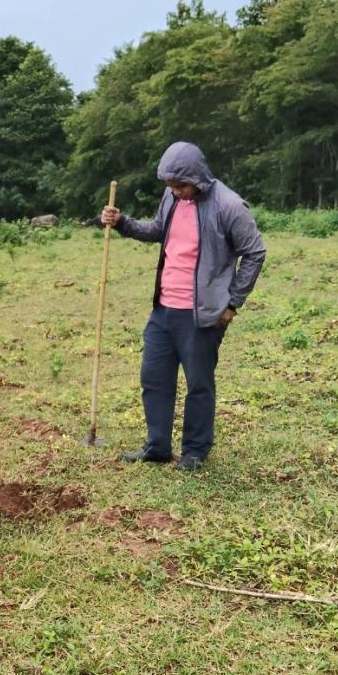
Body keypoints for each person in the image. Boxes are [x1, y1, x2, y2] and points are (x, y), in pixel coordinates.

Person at [101, 141, 265, 471]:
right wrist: (122, 222)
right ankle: (157, 446)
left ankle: (194, 452)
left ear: (199, 178)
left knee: (199, 384)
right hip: (164, 309)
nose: (175, 192)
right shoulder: (172, 198)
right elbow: (156, 231)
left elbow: (255, 253)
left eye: (181, 186)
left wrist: (233, 302)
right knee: (154, 378)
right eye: (170, 186)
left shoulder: (229, 206)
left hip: (203, 314)